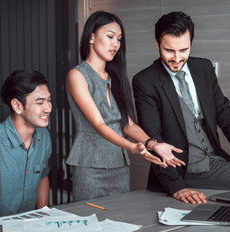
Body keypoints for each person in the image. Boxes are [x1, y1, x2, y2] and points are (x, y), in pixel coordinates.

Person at [132, 11, 230, 204]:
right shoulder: (145, 81)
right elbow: (153, 138)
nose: (177, 58)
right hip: (183, 170)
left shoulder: (204, 69)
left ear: (191, 43)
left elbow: (226, 116)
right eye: (169, 51)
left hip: (213, 161)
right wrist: (177, 187)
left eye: (184, 50)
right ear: (157, 44)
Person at [65, 11, 184, 201]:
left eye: (119, 39)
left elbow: (128, 125)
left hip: (119, 164)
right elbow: (99, 124)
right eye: (110, 36)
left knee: (118, 219)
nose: (116, 44)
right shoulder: (77, 75)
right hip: (90, 163)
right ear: (92, 37)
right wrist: (132, 147)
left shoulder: (116, 77)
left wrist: (154, 144)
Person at [0, 70, 52, 221]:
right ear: (17, 106)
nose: (48, 108)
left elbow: (42, 176)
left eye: (49, 100)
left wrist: (44, 219)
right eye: (40, 102)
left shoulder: (43, 135)